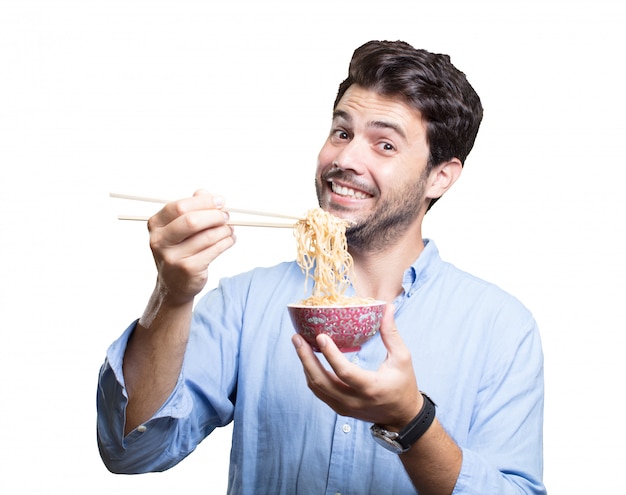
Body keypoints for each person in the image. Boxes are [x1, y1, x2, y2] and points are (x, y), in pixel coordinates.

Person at [97, 40, 545, 494]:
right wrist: (172, 297)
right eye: (342, 133)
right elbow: (130, 450)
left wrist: (411, 421)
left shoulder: (501, 327)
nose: (345, 160)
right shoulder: (248, 301)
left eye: (385, 144)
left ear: (440, 176)